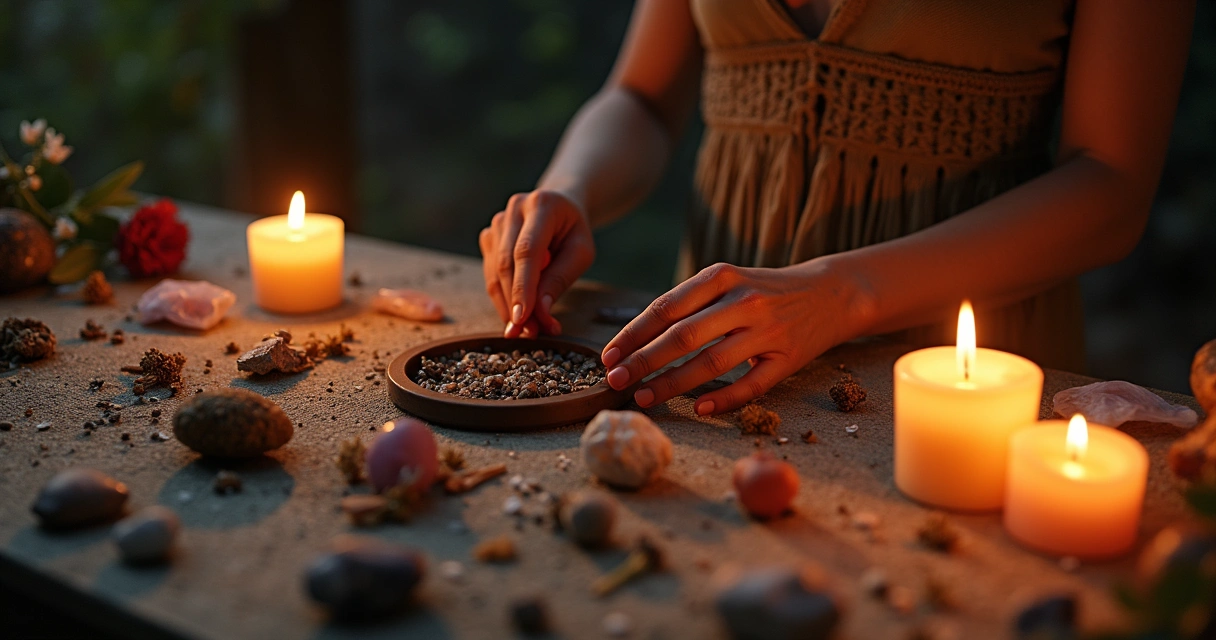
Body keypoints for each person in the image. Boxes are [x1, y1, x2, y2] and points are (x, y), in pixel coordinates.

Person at [477, 0, 1194, 417]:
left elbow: (1113, 184)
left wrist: (842, 294)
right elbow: (640, 97)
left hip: (959, 366)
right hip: (710, 355)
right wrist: (570, 189)